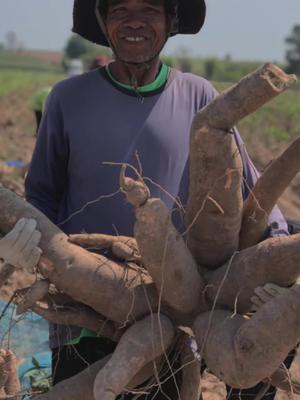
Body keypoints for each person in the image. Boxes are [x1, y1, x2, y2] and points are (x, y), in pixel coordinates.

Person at [23, 0, 290, 398]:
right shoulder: (66, 99)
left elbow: (246, 186)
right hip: (84, 308)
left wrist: (277, 255)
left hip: (177, 312)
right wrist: (23, 241)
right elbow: (41, 195)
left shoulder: (199, 95)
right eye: (119, 10)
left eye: (149, 8)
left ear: (170, 21)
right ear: (103, 22)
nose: (134, 22)